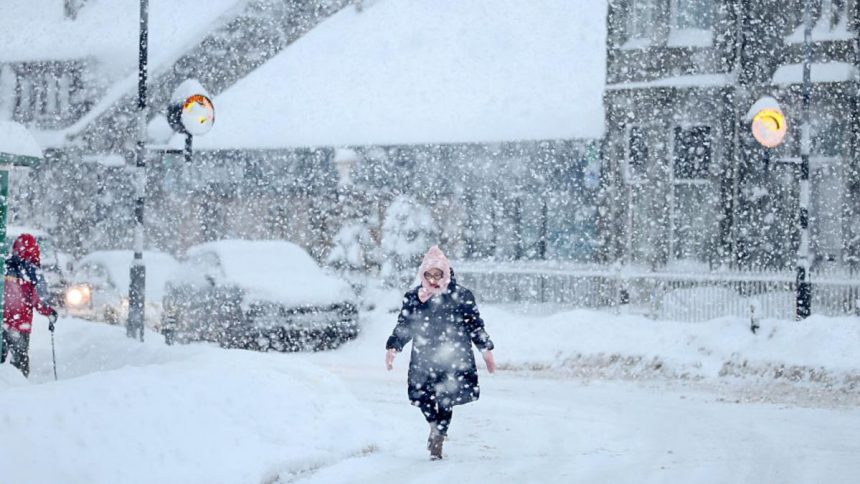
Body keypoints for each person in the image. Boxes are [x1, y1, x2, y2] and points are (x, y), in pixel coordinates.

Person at [385, 245, 496, 460]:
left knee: (446, 398)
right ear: (423, 275)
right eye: (429, 275)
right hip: (424, 357)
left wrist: (485, 349)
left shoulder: (461, 295)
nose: (434, 279)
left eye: (438, 274)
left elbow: (475, 325)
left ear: (446, 273)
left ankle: (439, 436)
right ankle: (434, 426)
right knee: (422, 396)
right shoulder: (415, 297)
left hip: (453, 355)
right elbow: (405, 325)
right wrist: (393, 346)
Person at [1, 233, 58, 378]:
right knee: (20, 364)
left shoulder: (5, 266)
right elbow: (39, 301)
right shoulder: (33, 273)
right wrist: (50, 312)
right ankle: (21, 390)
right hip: (21, 326)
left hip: (3, 323)